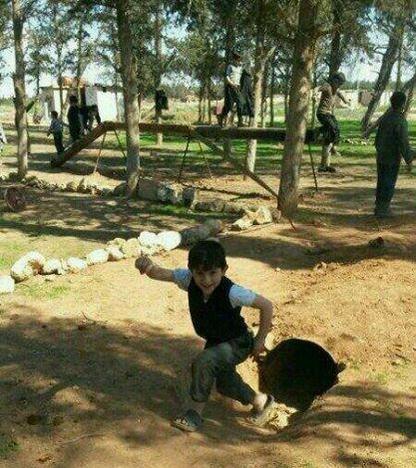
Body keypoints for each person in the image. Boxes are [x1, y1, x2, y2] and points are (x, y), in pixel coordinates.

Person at [135, 240, 276, 432]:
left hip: (238, 342)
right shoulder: (188, 279)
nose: (206, 280)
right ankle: (261, 401)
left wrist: (259, 340)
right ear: (191, 271)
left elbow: (266, 305)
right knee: (225, 384)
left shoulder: (233, 292)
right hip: (216, 342)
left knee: (204, 361)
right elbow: (161, 273)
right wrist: (146, 265)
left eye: (212, 273)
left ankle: (194, 414)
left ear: (224, 270)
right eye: (200, 273)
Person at [373, 91, 414, 218]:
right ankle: (383, 210)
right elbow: (403, 143)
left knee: (381, 182)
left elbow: (377, 139)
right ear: (403, 104)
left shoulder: (385, 118)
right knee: (389, 182)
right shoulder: (400, 120)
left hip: (381, 155)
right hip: (392, 157)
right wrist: (409, 160)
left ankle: (379, 207)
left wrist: (379, 150)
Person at [316, 72, 350, 173]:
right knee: (333, 128)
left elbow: (341, 94)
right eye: (339, 84)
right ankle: (319, 131)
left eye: (341, 85)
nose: (339, 86)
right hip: (322, 113)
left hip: (329, 114)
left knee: (334, 131)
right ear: (334, 81)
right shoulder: (327, 86)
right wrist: (314, 94)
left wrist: (346, 101)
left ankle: (325, 165)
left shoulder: (336, 89)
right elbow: (318, 88)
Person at [219, 51, 244, 127]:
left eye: (240, 60)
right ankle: (221, 117)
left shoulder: (240, 68)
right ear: (234, 60)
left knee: (240, 103)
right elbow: (226, 76)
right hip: (230, 87)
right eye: (237, 60)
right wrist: (232, 84)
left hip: (237, 87)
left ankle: (240, 121)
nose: (239, 61)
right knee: (229, 105)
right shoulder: (230, 66)